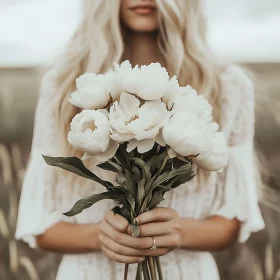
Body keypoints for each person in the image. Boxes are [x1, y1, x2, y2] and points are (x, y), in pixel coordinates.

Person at [15, 0, 265, 279]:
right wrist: (99, 235)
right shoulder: (65, 86)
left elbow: (234, 220)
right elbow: (40, 225)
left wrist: (179, 232)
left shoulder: (227, 87)